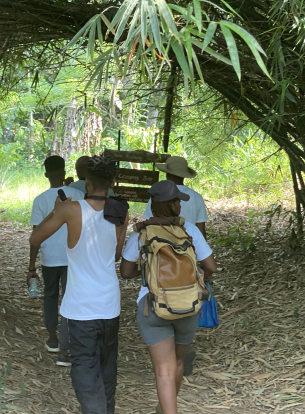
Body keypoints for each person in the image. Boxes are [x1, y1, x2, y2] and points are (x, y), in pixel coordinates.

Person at [29, 156, 129, 414]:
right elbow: (116, 254)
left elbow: (35, 238)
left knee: (84, 364)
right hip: (109, 303)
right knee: (107, 365)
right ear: (111, 182)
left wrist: (56, 209)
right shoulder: (121, 209)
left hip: (81, 306)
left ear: (87, 183)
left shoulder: (70, 210)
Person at [121, 180, 217, 414]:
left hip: (153, 306)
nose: (180, 207)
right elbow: (211, 266)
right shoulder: (190, 231)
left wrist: (146, 272)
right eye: (177, 202)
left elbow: (125, 272)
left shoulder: (142, 234)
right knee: (178, 363)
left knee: (163, 369)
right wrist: (201, 278)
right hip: (188, 305)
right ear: (172, 205)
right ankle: (166, 407)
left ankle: (167, 409)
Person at [28, 155, 84, 366]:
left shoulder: (40, 200)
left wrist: (31, 266)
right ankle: (65, 349)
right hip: (73, 256)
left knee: (50, 296)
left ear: (46, 174)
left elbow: (36, 234)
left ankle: (52, 337)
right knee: (69, 300)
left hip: (49, 257)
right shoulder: (78, 195)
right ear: (64, 171)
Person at [143, 156, 208, 239]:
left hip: (162, 246)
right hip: (189, 248)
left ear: (167, 174)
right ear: (184, 176)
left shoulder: (159, 195)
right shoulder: (197, 197)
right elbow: (201, 231)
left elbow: (149, 223)